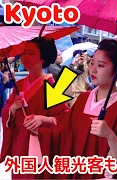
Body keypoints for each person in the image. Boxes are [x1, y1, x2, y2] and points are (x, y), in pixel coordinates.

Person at [53, 39, 117, 179]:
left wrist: (110, 136)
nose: (93, 69)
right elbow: (64, 133)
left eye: (101, 65)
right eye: (92, 63)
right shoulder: (83, 99)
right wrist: (42, 123)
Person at [0, 37, 70, 179]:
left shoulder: (52, 86)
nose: (24, 57)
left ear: (43, 58)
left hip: (39, 146)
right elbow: (6, 108)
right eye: (24, 53)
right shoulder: (19, 85)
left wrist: (43, 119)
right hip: (19, 144)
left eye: (31, 53)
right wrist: (13, 108)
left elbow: (64, 119)